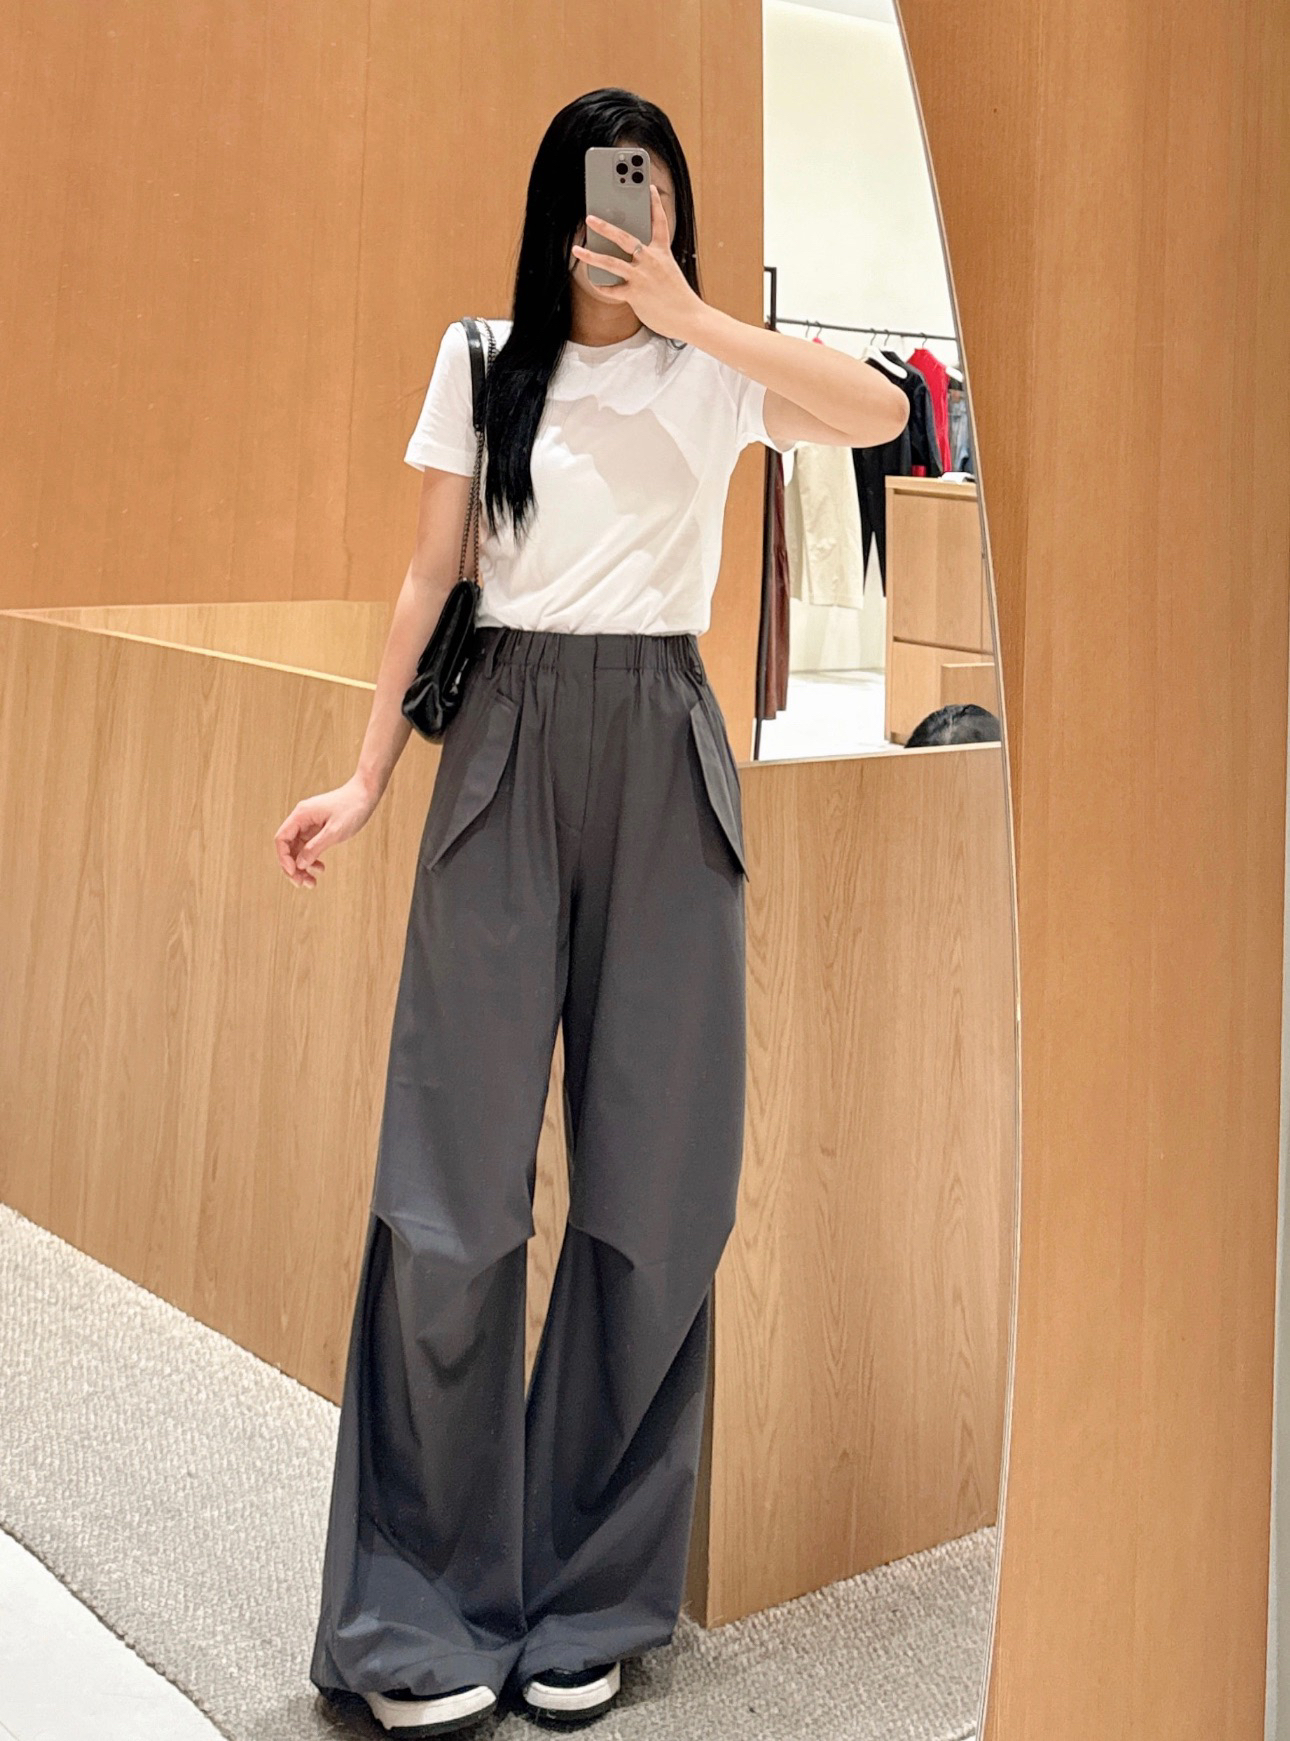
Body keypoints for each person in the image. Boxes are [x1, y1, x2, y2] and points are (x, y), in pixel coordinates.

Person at [274, 86, 908, 1740]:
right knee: (451, 1187)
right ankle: (417, 1605)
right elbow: (430, 576)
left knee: (656, 1185)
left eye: (652, 191)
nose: (627, 217)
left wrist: (699, 316)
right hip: (502, 743)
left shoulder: (718, 369)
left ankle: (591, 1596)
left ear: (672, 209)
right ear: (556, 211)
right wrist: (365, 778)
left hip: (660, 742)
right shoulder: (481, 356)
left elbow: (878, 414)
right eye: (603, 190)